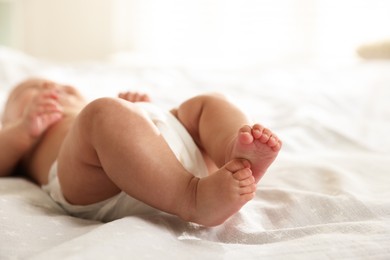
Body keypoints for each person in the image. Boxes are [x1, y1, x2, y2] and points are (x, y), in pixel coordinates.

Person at [0, 78, 282, 227]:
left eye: (61, 86)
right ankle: (193, 197)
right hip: (96, 179)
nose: (50, 87)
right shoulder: (23, 137)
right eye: (30, 89)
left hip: (162, 149)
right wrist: (22, 131)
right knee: (102, 114)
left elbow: (126, 129)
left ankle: (233, 151)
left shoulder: (101, 110)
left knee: (208, 103)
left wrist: (136, 112)